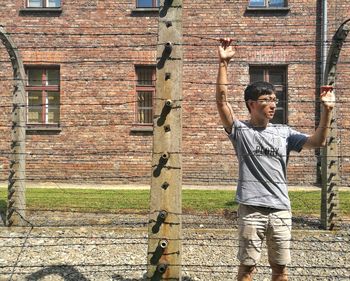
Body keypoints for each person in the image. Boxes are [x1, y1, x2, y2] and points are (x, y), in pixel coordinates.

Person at [216, 38, 335, 281]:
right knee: (247, 269)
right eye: (267, 100)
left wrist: (327, 111)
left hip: (281, 209)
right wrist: (223, 63)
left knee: (280, 269)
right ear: (251, 104)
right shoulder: (240, 131)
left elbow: (317, 142)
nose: (273, 105)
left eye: (274, 100)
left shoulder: (285, 132)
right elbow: (221, 101)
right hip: (251, 210)